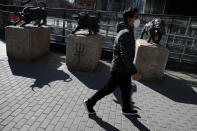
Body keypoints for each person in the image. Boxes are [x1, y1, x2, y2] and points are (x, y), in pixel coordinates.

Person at [84, 8, 140, 115]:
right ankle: (89, 103)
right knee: (108, 89)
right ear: (129, 20)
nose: (138, 20)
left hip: (123, 69)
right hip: (120, 69)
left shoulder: (126, 31)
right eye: (136, 17)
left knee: (126, 89)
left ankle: (126, 109)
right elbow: (125, 55)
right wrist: (134, 71)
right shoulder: (126, 33)